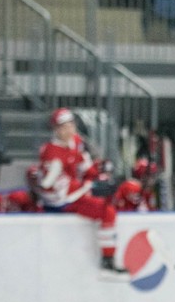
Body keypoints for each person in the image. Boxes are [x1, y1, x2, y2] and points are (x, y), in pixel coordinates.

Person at [36, 108, 121, 274]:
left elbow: (86, 166)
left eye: (70, 125)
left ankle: (108, 257)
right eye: (63, 127)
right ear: (56, 129)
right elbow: (53, 192)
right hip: (61, 201)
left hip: (73, 193)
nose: (68, 130)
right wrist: (89, 187)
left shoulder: (75, 141)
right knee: (107, 211)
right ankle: (107, 259)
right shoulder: (51, 152)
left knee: (110, 201)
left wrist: (99, 173)